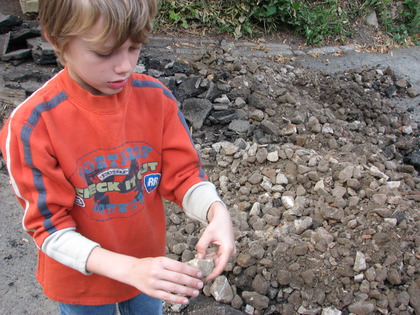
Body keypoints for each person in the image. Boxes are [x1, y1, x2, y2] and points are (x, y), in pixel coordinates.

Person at [0, 0, 236, 313]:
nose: (125, 65)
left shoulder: (156, 100)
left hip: (149, 270)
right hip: (80, 282)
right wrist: (129, 269)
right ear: (56, 39)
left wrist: (216, 212)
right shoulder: (33, 125)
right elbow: (49, 228)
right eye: (104, 52)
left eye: (134, 48)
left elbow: (183, 176)